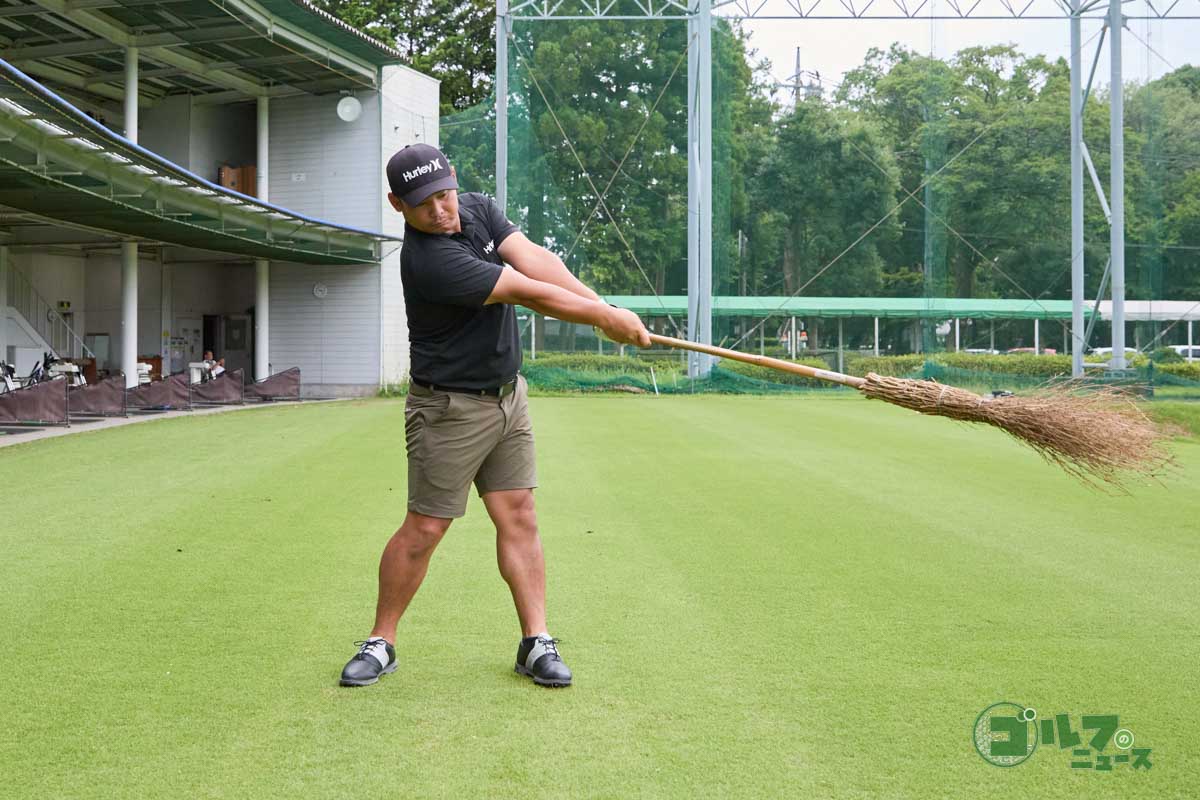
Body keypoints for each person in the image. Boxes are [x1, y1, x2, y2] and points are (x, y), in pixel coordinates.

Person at [339, 144, 650, 689]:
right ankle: (381, 640)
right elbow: (529, 292)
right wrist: (605, 318)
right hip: (448, 408)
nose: (439, 210)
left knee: (520, 515)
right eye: (422, 204)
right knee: (426, 528)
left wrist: (607, 308)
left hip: (509, 397)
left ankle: (536, 641)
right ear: (397, 205)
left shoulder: (478, 208)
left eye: (443, 194)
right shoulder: (430, 262)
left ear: (454, 180)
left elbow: (538, 262)